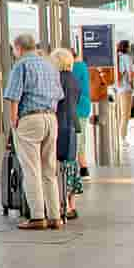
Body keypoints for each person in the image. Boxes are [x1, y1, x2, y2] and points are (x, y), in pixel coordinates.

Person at [4, 33, 62, 231]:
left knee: (32, 170)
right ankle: (55, 217)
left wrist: (14, 122)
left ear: (19, 48)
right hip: (50, 118)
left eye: (14, 49)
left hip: (30, 120)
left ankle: (38, 216)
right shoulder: (49, 65)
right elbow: (58, 95)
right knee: (49, 170)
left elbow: (13, 96)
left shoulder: (21, 65)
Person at [49, 45, 85, 220]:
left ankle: (58, 203)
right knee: (71, 164)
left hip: (58, 125)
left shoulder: (57, 79)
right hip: (72, 124)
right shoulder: (73, 79)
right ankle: (71, 205)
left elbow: (53, 102)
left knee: (56, 165)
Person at [71, 44, 94, 177]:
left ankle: (82, 167)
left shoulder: (75, 68)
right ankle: (83, 166)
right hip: (83, 105)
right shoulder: (83, 66)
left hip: (76, 106)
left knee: (77, 137)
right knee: (81, 136)